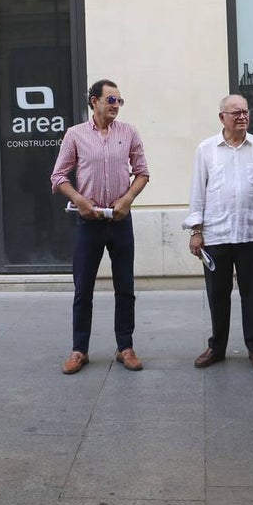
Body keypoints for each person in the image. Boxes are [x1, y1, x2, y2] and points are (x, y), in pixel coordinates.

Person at [51, 79, 150, 375]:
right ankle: (79, 349)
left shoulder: (129, 133)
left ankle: (126, 347)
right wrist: (80, 200)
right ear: (93, 101)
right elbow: (58, 177)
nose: (116, 106)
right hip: (89, 222)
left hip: (120, 221)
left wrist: (128, 199)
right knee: (83, 288)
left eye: (119, 101)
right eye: (110, 100)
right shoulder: (75, 135)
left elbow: (143, 173)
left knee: (126, 287)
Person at [184, 94, 253, 369]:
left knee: (252, 293)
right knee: (217, 294)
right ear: (222, 118)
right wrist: (196, 231)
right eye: (235, 113)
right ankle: (217, 347)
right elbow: (197, 193)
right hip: (216, 235)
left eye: (245, 112)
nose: (242, 117)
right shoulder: (206, 149)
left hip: (252, 232)